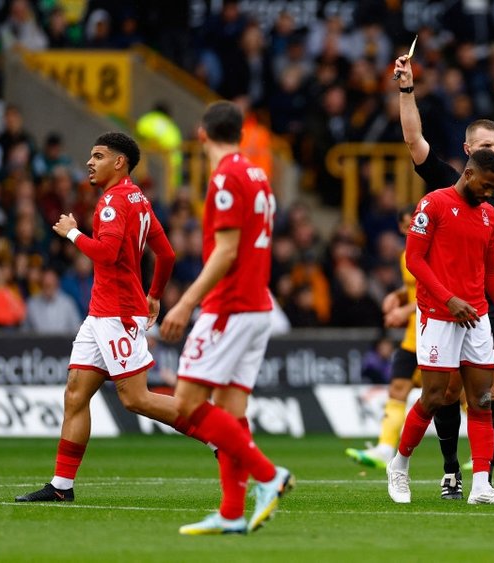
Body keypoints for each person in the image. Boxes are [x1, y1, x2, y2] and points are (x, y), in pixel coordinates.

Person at [394, 53, 494, 497]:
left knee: (489, 389)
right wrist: (407, 90)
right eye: (486, 147)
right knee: (443, 391)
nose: (493, 153)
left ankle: (484, 479)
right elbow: (413, 139)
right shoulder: (443, 190)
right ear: (467, 154)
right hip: (446, 302)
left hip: (489, 302)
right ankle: (447, 469)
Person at [14, 132, 178, 503]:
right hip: (103, 313)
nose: (90, 162)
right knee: (75, 394)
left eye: (98, 155)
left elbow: (105, 254)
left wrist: (72, 232)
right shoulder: (138, 198)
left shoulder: (112, 202)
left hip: (117, 314)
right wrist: (154, 294)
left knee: (136, 399)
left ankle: (218, 430)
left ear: (119, 162)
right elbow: (166, 255)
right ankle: (61, 487)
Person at [159, 101, 293, 535]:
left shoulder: (226, 177)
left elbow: (227, 251)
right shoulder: (257, 173)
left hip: (229, 307)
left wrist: (185, 303)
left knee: (186, 403)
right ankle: (232, 513)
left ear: (202, 134)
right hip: (257, 307)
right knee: (231, 412)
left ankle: (268, 474)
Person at [385, 148, 494, 506]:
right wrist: (448, 299)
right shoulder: (433, 205)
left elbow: (492, 271)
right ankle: (399, 465)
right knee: (434, 398)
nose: (490, 193)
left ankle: (480, 486)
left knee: (480, 399)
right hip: (437, 315)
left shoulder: (489, 216)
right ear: (469, 173)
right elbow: (414, 259)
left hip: (475, 316)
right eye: (487, 185)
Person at [344, 206, 423, 470]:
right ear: (401, 228)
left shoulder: (433, 252)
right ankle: (385, 448)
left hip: (438, 336)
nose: (413, 228)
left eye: (417, 223)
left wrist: (403, 309)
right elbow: (414, 289)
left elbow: (436, 294)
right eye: (408, 225)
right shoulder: (405, 256)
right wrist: (399, 295)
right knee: (397, 389)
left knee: (453, 396)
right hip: (413, 338)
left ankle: (481, 454)